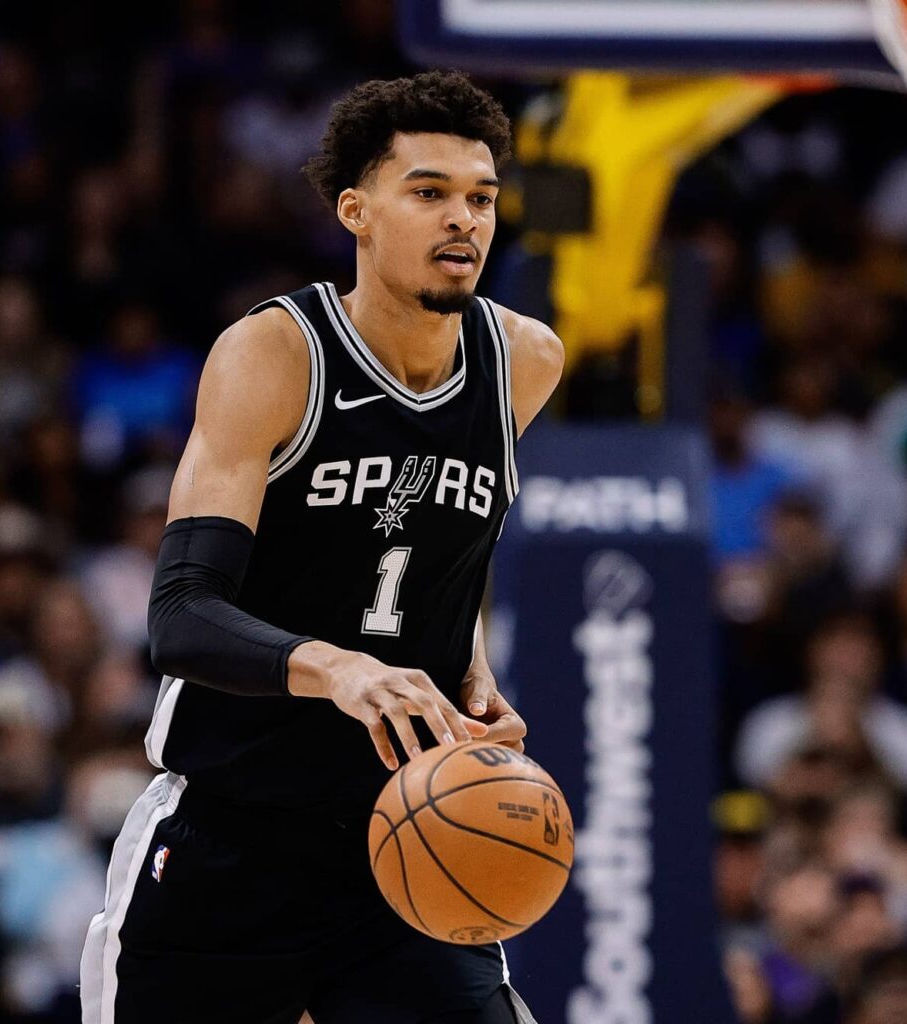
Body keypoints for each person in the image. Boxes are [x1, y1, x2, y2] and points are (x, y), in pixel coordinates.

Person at [80, 71, 563, 1024]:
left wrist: (472, 674)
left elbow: (434, 553)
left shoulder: (524, 362)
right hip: (232, 838)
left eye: (481, 198)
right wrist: (343, 671)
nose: (462, 219)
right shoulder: (278, 356)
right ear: (358, 212)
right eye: (428, 193)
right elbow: (181, 619)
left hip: (403, 836)